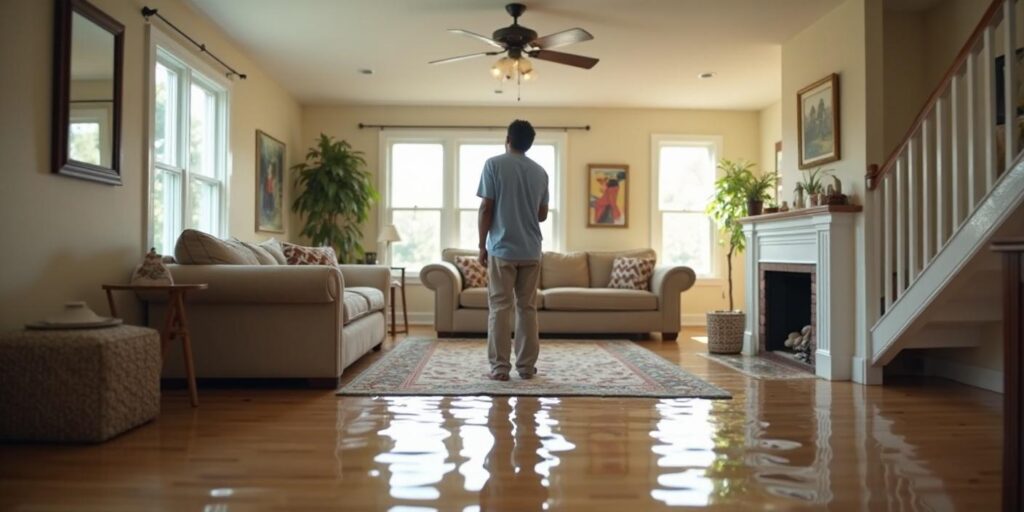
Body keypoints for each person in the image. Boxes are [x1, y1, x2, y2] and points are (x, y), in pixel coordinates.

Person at [477, 120, 549, 381]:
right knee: (527, 308)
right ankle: (527, 368)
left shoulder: (494, 165)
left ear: (507, 138)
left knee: (499, 308)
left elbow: (486, 208)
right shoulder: (540, 172)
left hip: (502, 249)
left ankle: (499, 369)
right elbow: (541, 215)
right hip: (531, 250)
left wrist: (481, 245)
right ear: (529, 143)